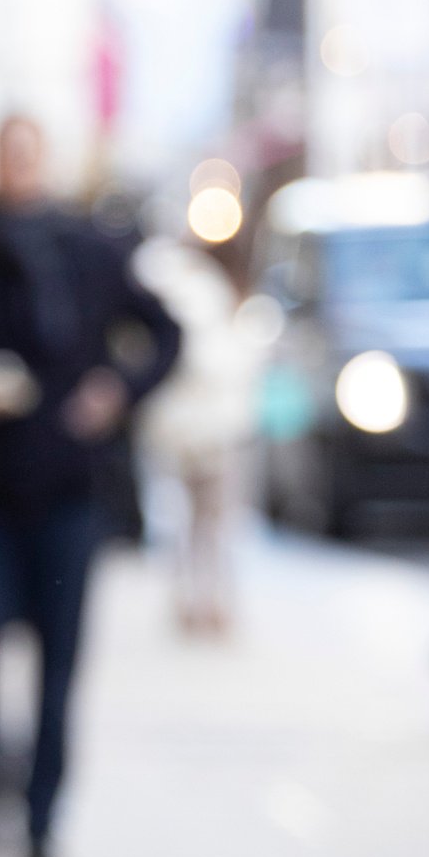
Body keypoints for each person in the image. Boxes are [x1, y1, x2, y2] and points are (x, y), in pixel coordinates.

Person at [0, 115, 180, 857]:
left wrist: (118, 390)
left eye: (32, 154)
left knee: (60, 666)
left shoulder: (91, 252)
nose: (20, 169)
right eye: (8, 155)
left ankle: (43, 823)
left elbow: (165, 334)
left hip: (68, 492)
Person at [133, 237, 262, 638]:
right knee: (201, 520)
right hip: (197, 426)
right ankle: (200, 600)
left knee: (201, 520)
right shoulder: (192, 293)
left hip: (203, 425)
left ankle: (203, 600)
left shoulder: (183, 289)